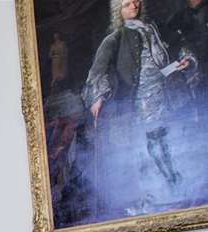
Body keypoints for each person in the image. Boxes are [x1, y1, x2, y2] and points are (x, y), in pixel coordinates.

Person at [83, 0, 195, 197]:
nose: (134, 6)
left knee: (170, 132)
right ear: (119, 10)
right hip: (143, 93)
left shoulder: (153, 28)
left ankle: (177, 174)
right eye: (127, 4)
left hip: (167, 85)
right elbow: (98, 70)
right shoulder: (115, 37)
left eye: (136, 1)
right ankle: (169, 178)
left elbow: (178, 44)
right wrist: (97, 97)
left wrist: (186, 59)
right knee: (155, 135)